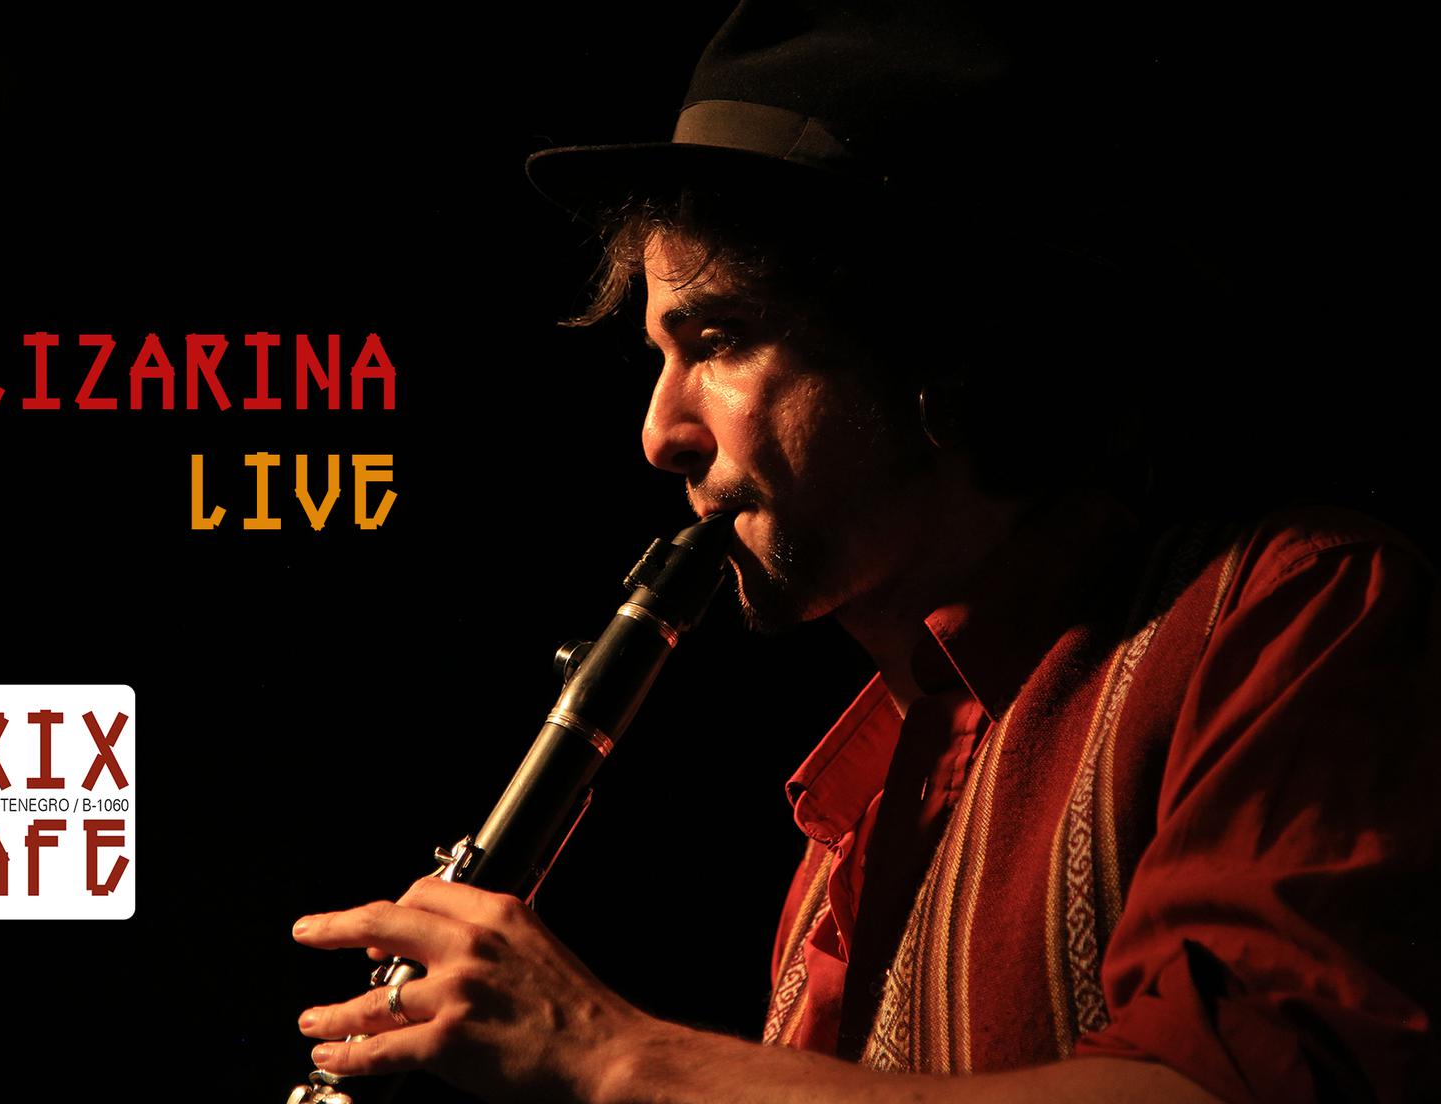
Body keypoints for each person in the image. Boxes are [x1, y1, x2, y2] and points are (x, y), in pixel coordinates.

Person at [290, 3, 1439, 1101]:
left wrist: (617, 1061)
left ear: (934, 340)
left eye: (720, 340)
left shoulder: (1288, 617)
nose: (659, 433)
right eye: (659, 356)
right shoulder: (846, 821)